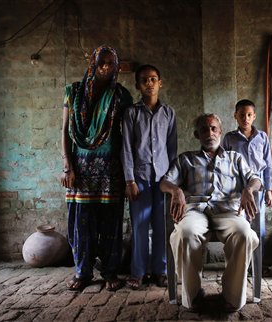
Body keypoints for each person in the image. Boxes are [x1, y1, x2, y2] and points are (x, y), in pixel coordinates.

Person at [160, 113, 261, 312]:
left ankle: (232, 295)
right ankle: (194, 295)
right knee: (185, 233)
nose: (210, 133)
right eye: (204, 129)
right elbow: (165, 182)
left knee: (244, 233)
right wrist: (176, 190)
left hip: (228, 210)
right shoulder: (186, 159)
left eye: (214, 128)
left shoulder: (235, 158)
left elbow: (255, 178)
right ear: (197, 134)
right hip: (195, 210)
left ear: (220, 132)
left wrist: (249, 189)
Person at [60, 45, 132, 292]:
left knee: (110, 223)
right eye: (101, 62)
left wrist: (128, 173)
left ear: (116, 67)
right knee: (80, 224)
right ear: (92, 63)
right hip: (80, 170)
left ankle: (111, 271)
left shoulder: (121, 95)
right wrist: (67, 166)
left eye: (110, 63)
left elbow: (126, 137)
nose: (105, 67)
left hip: (111, 170)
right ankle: (83, 272)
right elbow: (64, 132)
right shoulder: (74, 92)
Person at [122, 64, 177, 289]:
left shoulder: (168, 113)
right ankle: (138, 271)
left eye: (153, 79)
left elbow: (172, 148)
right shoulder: (131, 113)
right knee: (140, 225)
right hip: (140, 178)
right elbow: (126, 148)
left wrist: (173, 181)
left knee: (163, 225)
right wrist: (129, 180)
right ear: (137, 85)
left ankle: (161, 270)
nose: (149, 83)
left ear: (160, 83)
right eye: (144, 80)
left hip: (163, 179)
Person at [222, 99, 272, 250]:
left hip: (258, 186)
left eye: (249, 115)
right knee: (240, 222)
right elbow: (224, 164)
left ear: (254, 116)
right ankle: (242, 260)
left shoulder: (262, 137)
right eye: (242, 115)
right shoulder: (229, 138)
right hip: (237, 186)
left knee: (259, 224)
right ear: (235, 116)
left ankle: (258, 263)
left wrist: (269, 190)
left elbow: (268, 165)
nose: (246, 118)